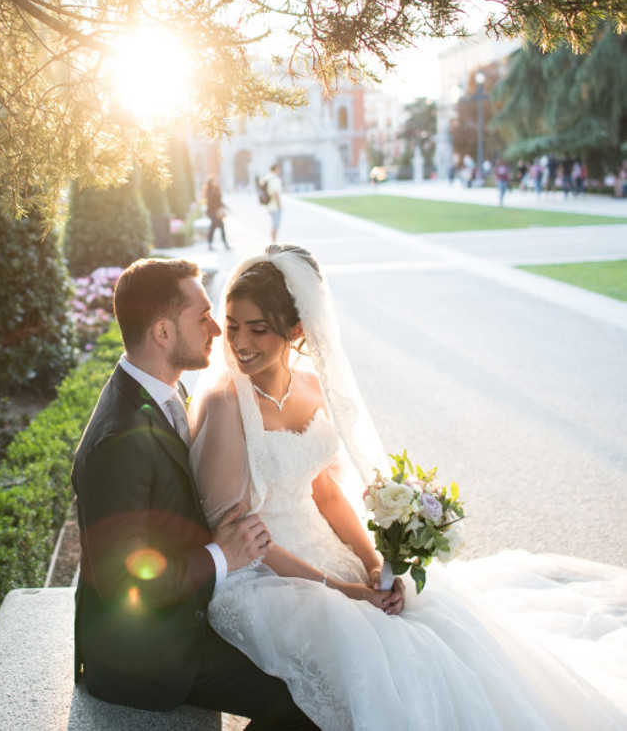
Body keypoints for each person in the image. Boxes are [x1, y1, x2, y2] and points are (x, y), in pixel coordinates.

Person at [187, 245, 627, 730]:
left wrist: (374, 563)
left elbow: (325, 492)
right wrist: (344, 591)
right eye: (232, 325)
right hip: (264, 574)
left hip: (323, 549)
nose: (239, 342)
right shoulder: (226, 402)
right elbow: (241, 534)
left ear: (296, 331)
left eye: (258, 329)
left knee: (433, 630)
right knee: (372, 651)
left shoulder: (312, 386)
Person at [72, 258, 318, 730]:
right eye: (203, 317)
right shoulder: (117, 442)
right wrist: (222, 556)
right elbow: (122, 583)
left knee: (316, 652)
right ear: (163, 333)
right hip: (147, 650)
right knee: (307, 695)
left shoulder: (159, 392)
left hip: (185, 606)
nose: (218, 330)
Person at [203, 176, 229, 250]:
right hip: (212, 212)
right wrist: (217, 209)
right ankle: (224, 243)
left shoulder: (217, 189)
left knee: (213, 227)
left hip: (217, 211)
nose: (215, 183)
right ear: (211, 183)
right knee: (218, 226)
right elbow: (210, 202)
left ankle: (211, 244)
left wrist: (226, 208)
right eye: (214, 181)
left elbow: (219, 201)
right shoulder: (209, 191)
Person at [260, 164, 283, 243]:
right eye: (278, 168)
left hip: (268, 204)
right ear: (275, 169)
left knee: (274, 224)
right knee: (275, 225)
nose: (280, 170)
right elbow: (275, 193)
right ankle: (274, 242)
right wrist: (279, 205)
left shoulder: (266, 177)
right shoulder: (274, 179)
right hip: (274, 206)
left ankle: (273, 241)